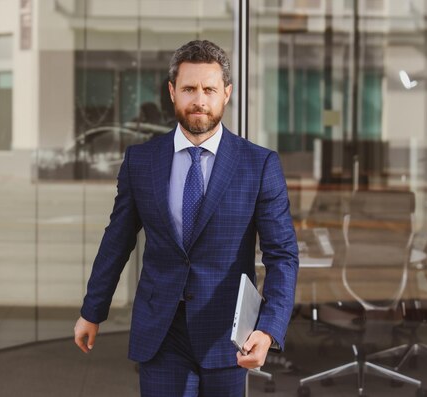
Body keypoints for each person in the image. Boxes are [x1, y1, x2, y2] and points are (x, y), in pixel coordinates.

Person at [74, 40, 299, 397]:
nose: (199, 100)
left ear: (226, 93)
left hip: (227, 334)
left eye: (209, 89)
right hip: (161, 331)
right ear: (172, 92)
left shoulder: (258, 165)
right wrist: (92, 311)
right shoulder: (141, 161)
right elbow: (117, 240)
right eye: (189, 89)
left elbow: (282, 254)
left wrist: (269, 328)